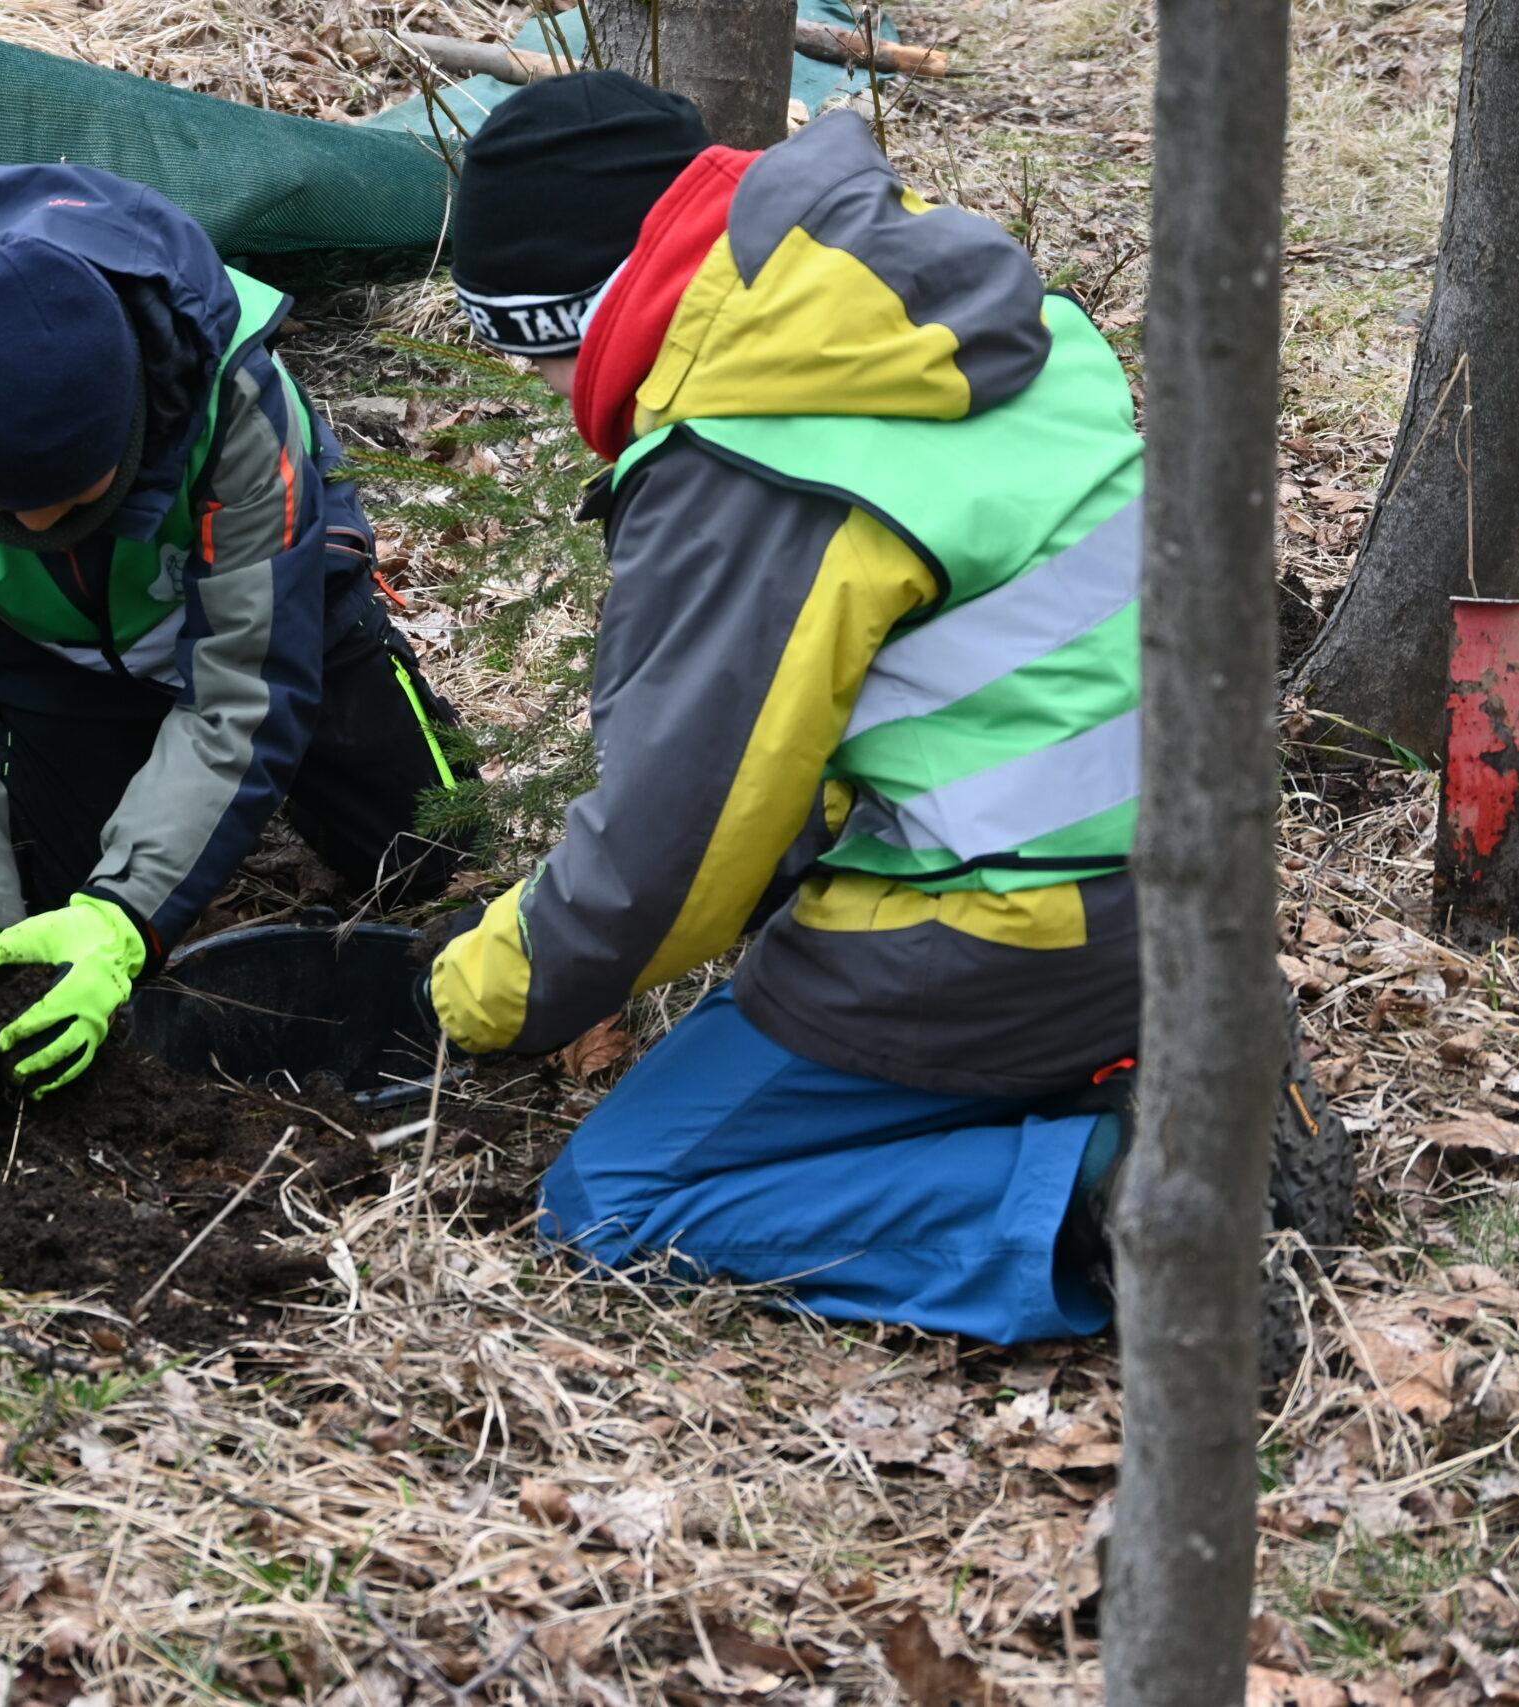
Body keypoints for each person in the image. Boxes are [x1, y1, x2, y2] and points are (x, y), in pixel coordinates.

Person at [425, 74, 1341, 1344]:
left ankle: (1131, 1195)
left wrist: (477, 992)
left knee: (617, 1199)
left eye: (535, 357)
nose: (548, 395)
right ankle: (1153, 1075)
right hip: (1191, 886)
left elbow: (667, 858)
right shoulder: (964, 315)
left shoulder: (750, 462)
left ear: (587, 310)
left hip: (1003, 932)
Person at [0, 163, 469, 1099]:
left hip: (287, 614)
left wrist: (124, 916)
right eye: (0, 512)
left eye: (78, 498)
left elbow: (243, 686)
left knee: (446, 855)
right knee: (35, 946)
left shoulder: (230, 396)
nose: (38, 528)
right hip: (50, 657)